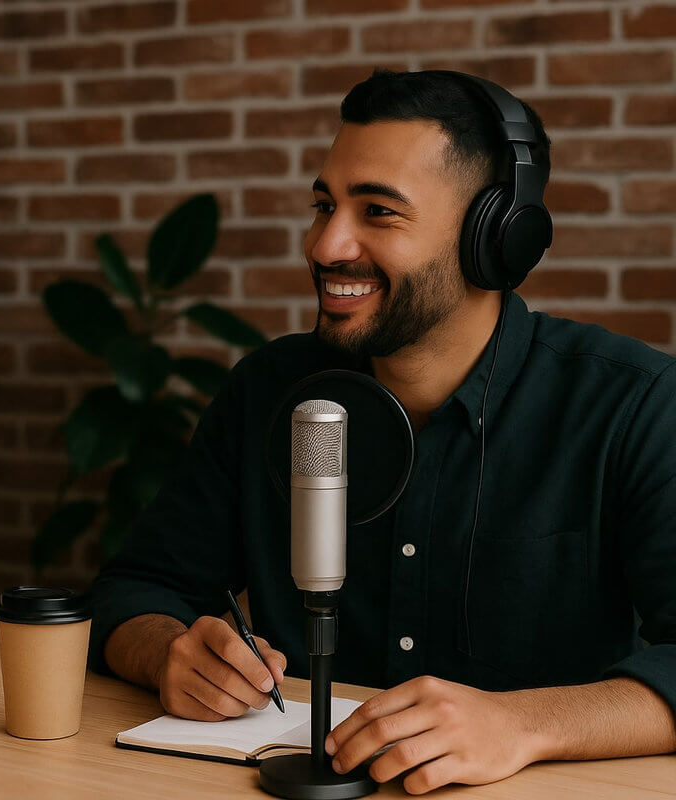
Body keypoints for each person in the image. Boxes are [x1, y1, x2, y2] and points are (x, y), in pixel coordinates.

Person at [90, 70, 676, 794]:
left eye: (378, 212)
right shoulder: (268, 390)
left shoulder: (632, 404)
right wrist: (171, 652)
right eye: (323, 205)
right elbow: (137, 587)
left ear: (497, 238)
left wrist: (526, 724)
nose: (326, 244)